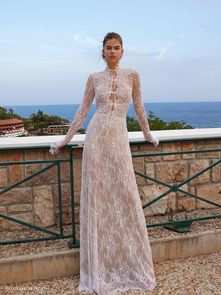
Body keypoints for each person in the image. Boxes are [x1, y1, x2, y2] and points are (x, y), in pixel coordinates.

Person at [49, 32, 159, 295]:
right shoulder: (93, 78)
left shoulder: (133, 75)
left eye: (116, 47)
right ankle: (99, 269)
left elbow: (140, 106)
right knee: (98, 198)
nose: (112, 51)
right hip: (96, 140)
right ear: (102, 52)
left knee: (125, 195)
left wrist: (147, 134)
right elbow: (83, 110)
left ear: (122, 51)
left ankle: (128, 262)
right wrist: (66, 139)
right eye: (108, 48)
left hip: (120, 141)